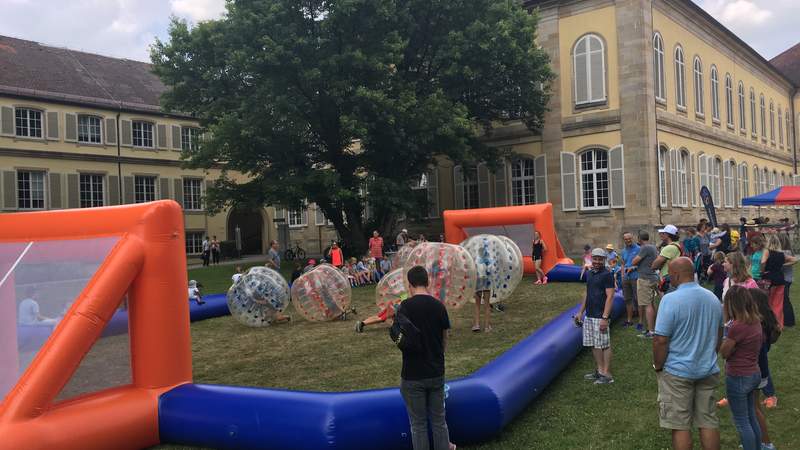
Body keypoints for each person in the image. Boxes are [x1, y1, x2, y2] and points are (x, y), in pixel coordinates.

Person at [652, 257, 723, 450]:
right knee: (707, 420)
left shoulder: (670, 299)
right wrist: (710, 354)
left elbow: (660, 340)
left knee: (680, 425)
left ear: (675, 275)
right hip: (707, 369)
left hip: (677, 372)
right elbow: (719, 333)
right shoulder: (712, 298)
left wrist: (658, 365)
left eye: (670, 276)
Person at [398, 266, 454, 450]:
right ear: (427, 282)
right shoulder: (439, 306)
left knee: (418, 424)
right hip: (435, 370)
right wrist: (438, 355)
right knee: (439, 420)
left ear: (410, 284)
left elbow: (400, 339)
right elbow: (445, 336)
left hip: (413, 373)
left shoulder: (404, 307)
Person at [719, 286, 763, 450]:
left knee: (742, 422)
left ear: (732, 304)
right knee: (751, 417)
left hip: (739, 376)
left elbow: (724, 352)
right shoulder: (756, 321)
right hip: (753, 372)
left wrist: (725, 329)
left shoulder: (736, 326)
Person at [575, 248, 615, 385]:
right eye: (595, 259)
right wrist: (581, 311)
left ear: (604, 260)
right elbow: (587, 293)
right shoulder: (590, 273)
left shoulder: (607, 275)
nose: (597, 261)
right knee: (593, 343)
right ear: (592, 259)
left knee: (604, 344)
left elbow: (610, 296)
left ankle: (607, 374)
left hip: (600, 315)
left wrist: (605, 317)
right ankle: (600, 370)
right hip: (590, 314)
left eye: (600, 259)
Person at [760, 234, 796, 329]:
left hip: (769, 279)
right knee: (778, 303)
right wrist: (783, 265)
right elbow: (794, 259)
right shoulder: (781, 254)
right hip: (780, 279)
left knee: (768, 302)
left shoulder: (767, 251)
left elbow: (763, 262)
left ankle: (769, 323)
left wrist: (762, 270)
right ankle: (779, 325)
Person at [633, 231, 660, 337]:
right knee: (651, 304)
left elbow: (634, 261)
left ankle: (651, 331)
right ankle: (653, 328)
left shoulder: (644, 248)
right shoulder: (653, 247)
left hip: (645, 278)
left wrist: (635, 259)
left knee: (647, 305)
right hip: (652, 277)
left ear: (639, 239)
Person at [652, 225, 682, 294]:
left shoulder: (669, 248)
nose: (661, 235)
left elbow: (654, 265)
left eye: (663, 233)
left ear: (667, 235)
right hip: (676, 275)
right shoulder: (677, 245)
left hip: (668, 276)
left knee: (671, 299)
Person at [619, 232, 640, 327]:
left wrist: (634, 267)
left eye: (629, 238)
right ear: (624, 240)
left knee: (638, 298)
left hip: (636, 277)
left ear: (632, 238)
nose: (628, 240)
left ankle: (641, 320)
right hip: (626, 278)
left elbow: (642, 263)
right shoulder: (623, 251)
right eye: (626, 239)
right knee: (627, 299)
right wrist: (623, 275)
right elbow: (622, 263)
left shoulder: (639, 249)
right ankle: (629, 320)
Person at [778, 232, 795, 327]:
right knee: (785, 299)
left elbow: (782, 267)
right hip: (788, 278)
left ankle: (789, 321)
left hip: (785, 279)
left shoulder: (785, 253)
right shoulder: (788, 251)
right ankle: (788, 320)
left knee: (785, 300)